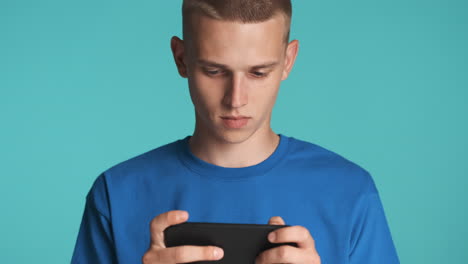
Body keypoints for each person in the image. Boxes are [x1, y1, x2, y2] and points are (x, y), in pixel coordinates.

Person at [71, 0, 400, 263]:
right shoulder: (116, 193)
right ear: (181, 58)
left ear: (288, 61)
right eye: (214, 71)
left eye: (258, 72)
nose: (236, 99)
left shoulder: (351, 192)